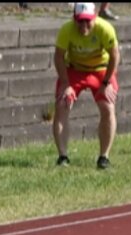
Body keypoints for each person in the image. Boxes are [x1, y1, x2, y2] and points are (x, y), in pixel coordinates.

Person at [53, 1, 120, 169]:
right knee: (62, 104)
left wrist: (106, 82)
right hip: (75, 69)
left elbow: (114, 57)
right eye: (80, 21)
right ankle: (63, 156)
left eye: (87, 21)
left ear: (95, 17)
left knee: (108, 107)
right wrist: (66, 83)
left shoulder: (105, 29)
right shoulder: (66, 30)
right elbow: (58, 57)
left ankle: (104, 157)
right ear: (74, 19)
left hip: (101, 70)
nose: (84, 25)